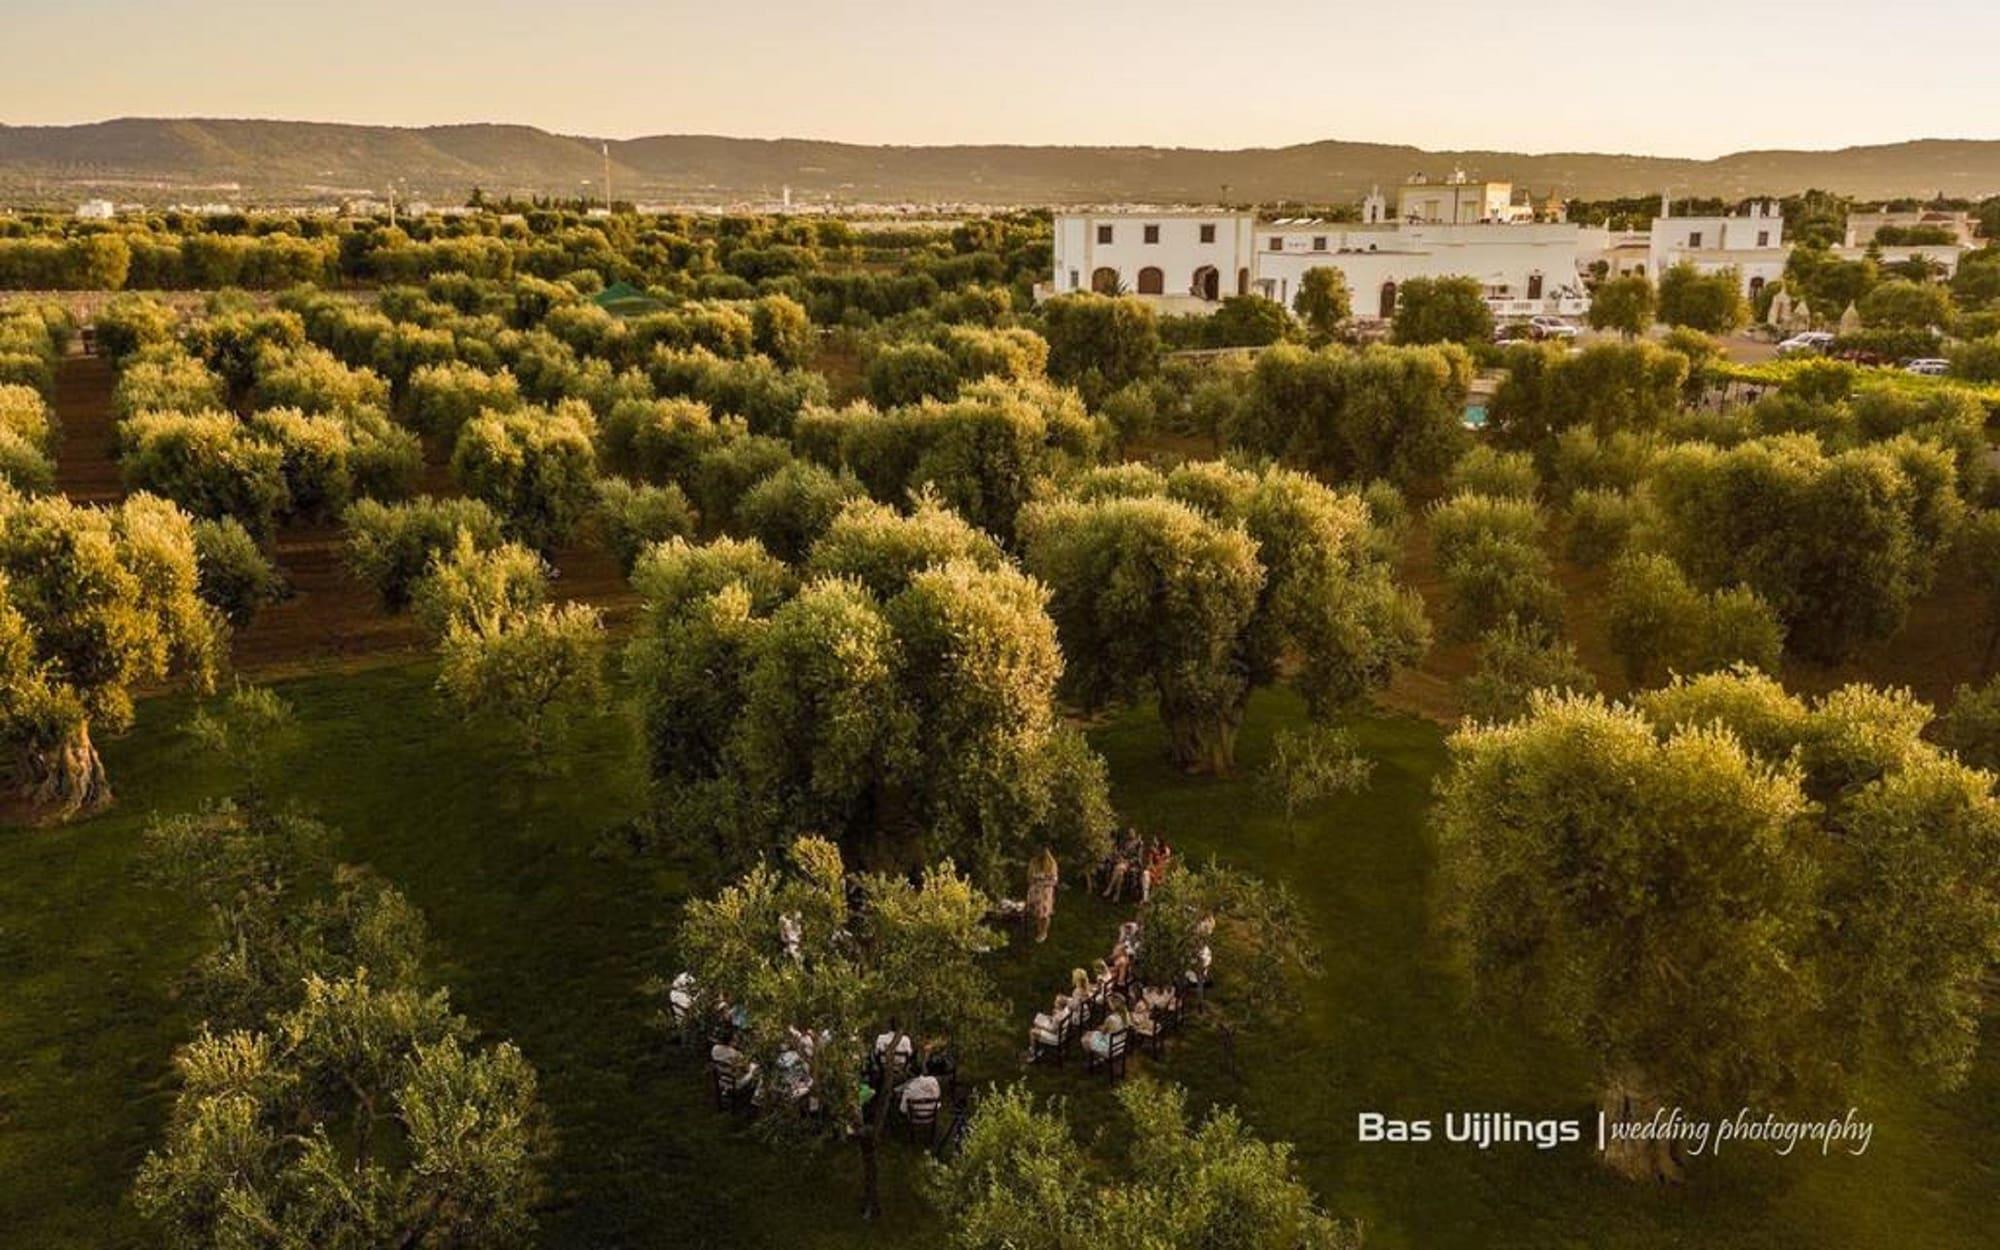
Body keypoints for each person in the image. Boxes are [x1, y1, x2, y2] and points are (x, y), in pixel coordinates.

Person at [1025, 845, 1059, 943]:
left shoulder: (1051, 863)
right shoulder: (1033, 862)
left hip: (1045, 893)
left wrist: (1042, 882)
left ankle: (1044, 932)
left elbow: (1054, 880)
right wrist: (1035, 881)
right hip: (1036, 891)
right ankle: (1039, 931)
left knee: (1045, 913)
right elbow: (1029, 877)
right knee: (1037, 913)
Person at [1082, 994, 1128, 1060]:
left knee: (1084, 1039)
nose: (1108, 1004)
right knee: (1090, 1033)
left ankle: (1093, 1059)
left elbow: (1103, 1032)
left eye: (1110, 1002)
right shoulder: (1125, 1016)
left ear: (1113, 1006)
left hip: (1110, 1047)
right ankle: (1098, 1057)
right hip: (1121, 1045)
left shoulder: (1110, 1019)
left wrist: (1098, 1028)